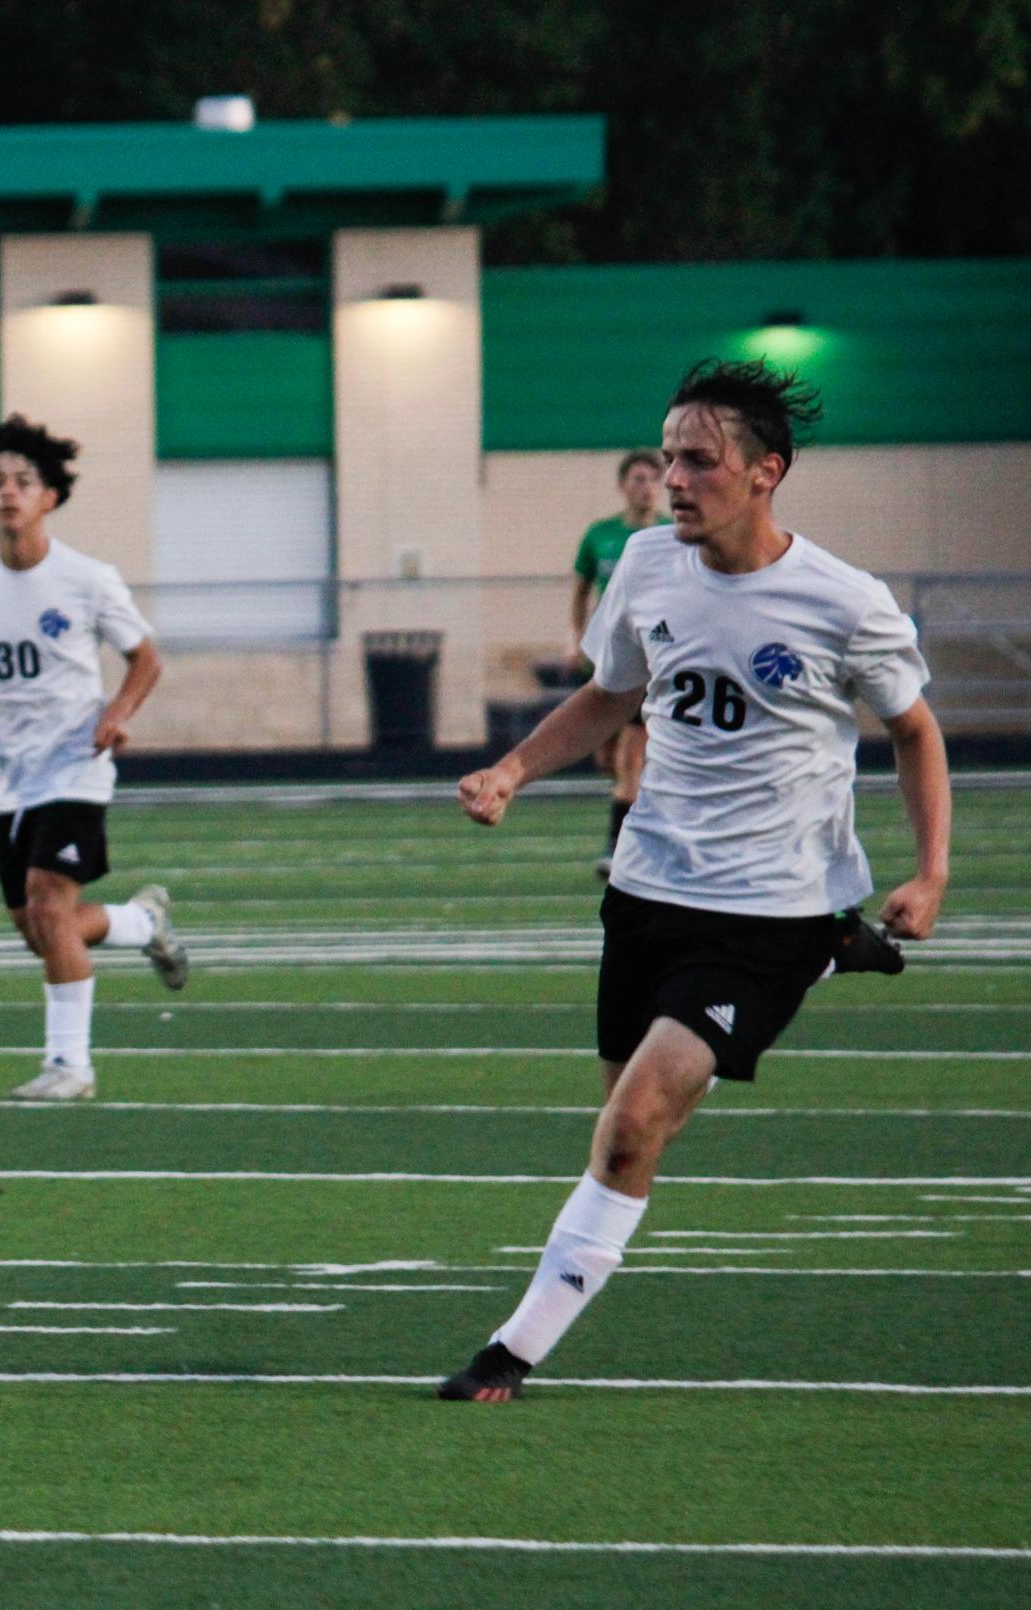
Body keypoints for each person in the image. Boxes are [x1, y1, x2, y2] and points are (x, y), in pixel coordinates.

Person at [440, 359, 950, 1402]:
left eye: (699, 459)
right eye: (669, 454)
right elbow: (609, 693)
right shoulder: (644, 565)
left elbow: (911, 728)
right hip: (649, 888)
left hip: (766, 909)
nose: (674, 476)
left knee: (635, 1125)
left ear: (767, 471)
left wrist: (933, 870)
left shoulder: (844, 602)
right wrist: (513, 770)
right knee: (618, 1127)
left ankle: (512, 1350)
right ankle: (834, 945)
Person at [0, 415, 188, 1101]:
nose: (6, 492)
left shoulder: (87, 579)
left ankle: (70, 1068)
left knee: (49, 907)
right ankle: (140, 923)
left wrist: (116, 713)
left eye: (22, 482)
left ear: (49, 497)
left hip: (75, 765)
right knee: (38, 931)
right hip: (7, 777)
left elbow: (145, 658)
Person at [569, 450, 668, 879]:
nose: (645, 487)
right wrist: (577, 642)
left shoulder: (674, 533)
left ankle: (618, 848)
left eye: (652, 479)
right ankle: (648, 820)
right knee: (608, 757)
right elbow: (580, 593)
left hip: (653, 659)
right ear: (623, 485)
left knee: (631, 758)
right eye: (638, 479)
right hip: (612, 655)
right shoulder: (601, 535)